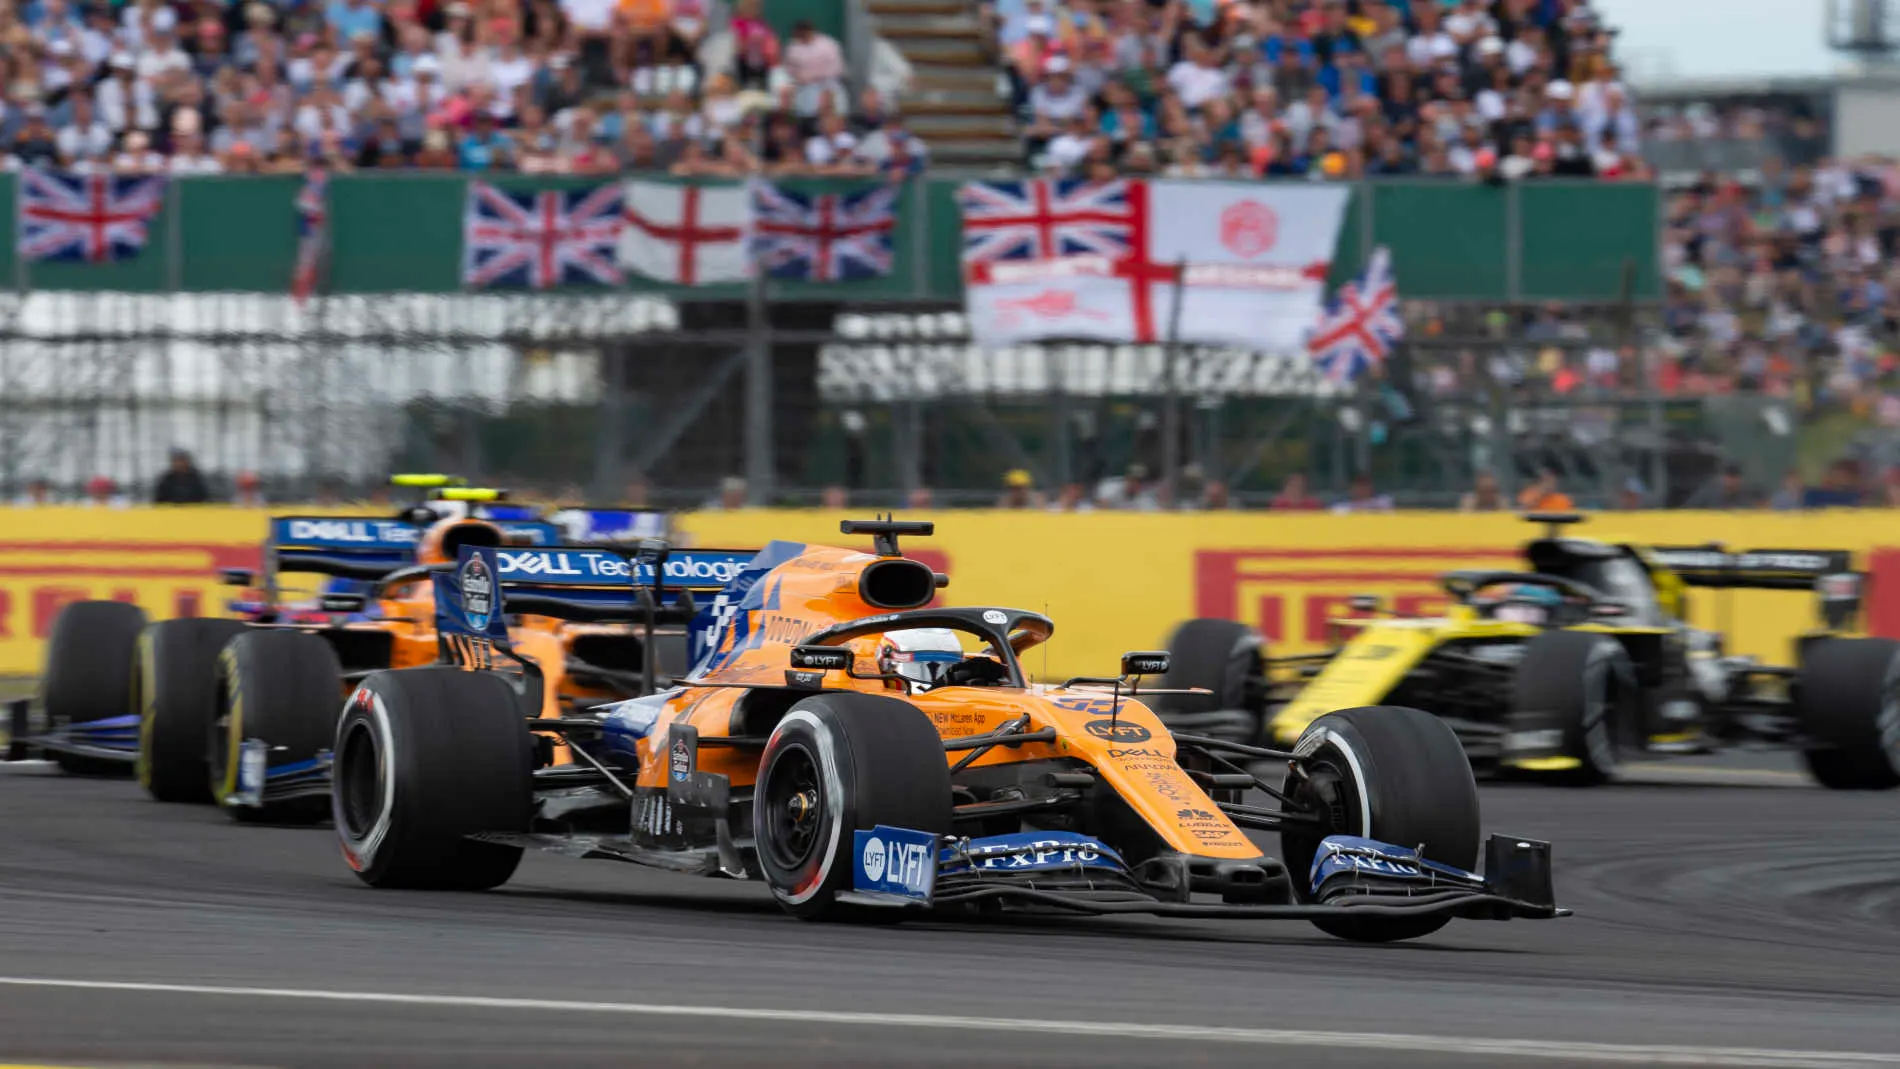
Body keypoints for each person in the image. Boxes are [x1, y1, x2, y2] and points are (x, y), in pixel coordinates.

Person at [1686, 464, 1758, 509]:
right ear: (1722, 477)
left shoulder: (1746, 498)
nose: (1732, 481)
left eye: (1735, 477)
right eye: (1729, 476)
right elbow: (1687, 512)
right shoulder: (1707, 495)